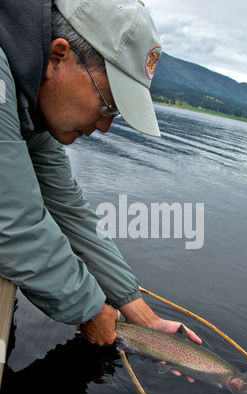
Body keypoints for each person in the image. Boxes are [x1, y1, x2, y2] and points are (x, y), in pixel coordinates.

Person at [0, 0, 201, 349]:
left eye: (117, 114)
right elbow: (12, 222)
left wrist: (143, 317)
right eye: (108, 104)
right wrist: (91, 309)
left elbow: (69, 209)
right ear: (57, 57)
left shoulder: (30, 106)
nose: (106, 128)